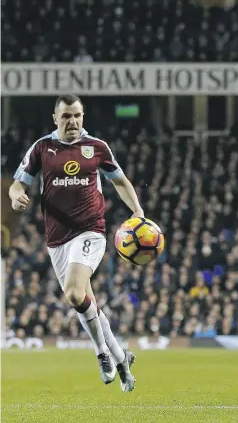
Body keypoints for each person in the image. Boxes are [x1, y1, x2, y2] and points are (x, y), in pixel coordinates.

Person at [9, 94, 140, 392]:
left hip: (90, 231)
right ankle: (122, 359)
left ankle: (101, 353)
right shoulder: (42, 148)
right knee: (85, 301)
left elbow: (119, 180)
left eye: (77, 115)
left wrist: (138, 212)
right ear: (55, 118)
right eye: (67, 116)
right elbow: (18, 182)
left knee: (72, 293)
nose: (73, 121)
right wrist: (15, 195)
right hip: (56, 239)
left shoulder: (96, 147)